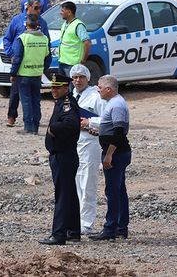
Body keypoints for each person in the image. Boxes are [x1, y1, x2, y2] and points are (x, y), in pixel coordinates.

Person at [38, 73, 81, 245]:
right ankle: (73, 230)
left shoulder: (67, 104)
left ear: (65, 87)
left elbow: (71, 124)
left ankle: (59, 234)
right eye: (52, 87)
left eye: (57, 87)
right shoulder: (61, 102)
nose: (53, 90)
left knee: (62, 195)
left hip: (64, 155)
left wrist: (53, 128)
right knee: (69, 193)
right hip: (62, 154)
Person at [90, 75, 131, 241]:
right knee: (119, 190)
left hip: (116, 154)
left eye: (100, 87)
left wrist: (109, 154)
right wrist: (100, 132)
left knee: (113, 191)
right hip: (117, 152)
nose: (98, 90)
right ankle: (120, 228)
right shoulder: (115, 103)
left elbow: (119, 132)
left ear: (108, 89)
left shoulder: (117, 105)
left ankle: (110, 229)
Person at [3, 0, 51, 127]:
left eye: (40, 8)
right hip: (19, 64)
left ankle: (31, 122)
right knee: (15, 93)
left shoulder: (42, 23)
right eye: (36, 8)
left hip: (34, 67)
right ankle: (11, 117)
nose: (39, 10)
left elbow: (47, 43)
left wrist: (44, 65)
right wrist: (12, 55)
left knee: (33, 97)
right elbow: (7, 39)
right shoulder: (17, 20)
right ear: (28, 7)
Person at [69, 64, 105, 235]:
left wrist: (90, 123)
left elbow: (107, 119)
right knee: (76, 182)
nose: (78, 80)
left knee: (88, 183)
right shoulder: (72, 96)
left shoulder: (96, 96)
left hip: (90, 143)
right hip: (74, 144)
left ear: (88, 78)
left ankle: (87, 222)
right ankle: (76, 220)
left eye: (81, 77)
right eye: (75, 77)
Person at [10, 14, 52, 134]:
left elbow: (17, 58)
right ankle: (35, 127)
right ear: (38, 25)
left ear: (26, 24)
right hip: (37, 75)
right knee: (36, 101)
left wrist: (13, 73)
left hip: (24, 75)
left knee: (26, 101)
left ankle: (28, 127)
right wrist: (42, 69)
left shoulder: (23, 38)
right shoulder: (44, 38)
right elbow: (48, 58)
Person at [57, 1, 91, 79]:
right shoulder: (65, 24)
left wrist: (83, 60)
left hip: (73, 63)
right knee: (63, 85)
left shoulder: (78, 25)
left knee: (73, 85)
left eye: (62, 11)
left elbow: (87, 43)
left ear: (69, 12)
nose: (60, 13)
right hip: (63, 61)